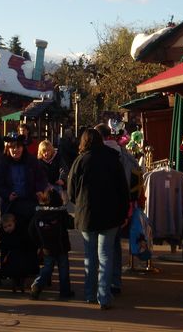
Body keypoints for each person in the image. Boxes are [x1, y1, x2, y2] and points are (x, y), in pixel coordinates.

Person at [67, 128, 129, 310]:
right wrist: (123, 212)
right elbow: (123, 190)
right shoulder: (113, 159)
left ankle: (89, 293)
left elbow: (71, 192)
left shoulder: (80, 161)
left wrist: (79, 204)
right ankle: (104, 296)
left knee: (90, 256)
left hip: (87, 215)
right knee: (105, 255)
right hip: (110, 215)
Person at [95, 122, 139, 295]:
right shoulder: (125, 154)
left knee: (102, 248)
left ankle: (102, 286)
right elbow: (135, 177)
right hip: (123, 204)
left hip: (102, 205)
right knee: (115, 244)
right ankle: (115, 281)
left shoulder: (98, 154)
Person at [29, 188, 74, 300]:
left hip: (47, 247)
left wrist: (39, 243)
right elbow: (71, 224)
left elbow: (31, 230)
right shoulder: (61, 213)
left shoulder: (39, 213)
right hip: (61, 246)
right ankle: (65, 291)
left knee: (47, 269)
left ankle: (37, 285)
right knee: (63, 269)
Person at [0, 132, 48, 225]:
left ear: (23, 147)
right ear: (8, 148)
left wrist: (39, 190)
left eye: (18, 147)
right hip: (11, 205)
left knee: (29, 234)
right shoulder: (3, 163)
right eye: (12, 147)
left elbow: (41, 178)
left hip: (29, 203)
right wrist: (7, 194)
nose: (15, 150)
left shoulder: (32, 161)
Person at [0, 213, 37, 293]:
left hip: (22, 252)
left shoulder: (21, 231)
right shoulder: (4, 235)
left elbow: (26, 244)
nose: (8, 228)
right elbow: (4, 245)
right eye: (5, 227)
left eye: (10, 225)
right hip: (11, 255)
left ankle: (21, 279)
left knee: (20, 259)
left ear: (14, 223)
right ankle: (15, 279)